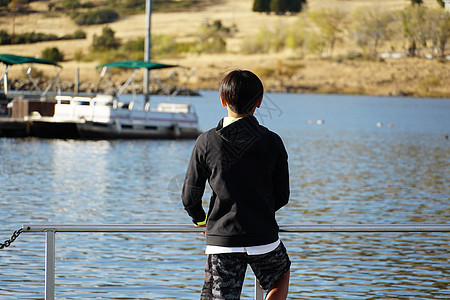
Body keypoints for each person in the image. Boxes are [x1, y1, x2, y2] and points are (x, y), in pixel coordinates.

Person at [182, 69, 290, 300]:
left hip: (223, 241)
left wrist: (202, 220)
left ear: (222, 100)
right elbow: (282, 195)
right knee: (280, 274)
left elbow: (190, 197)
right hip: (263, 238)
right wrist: (258, 212)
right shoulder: (272, 141)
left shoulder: (207, 141)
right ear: (259, 102)